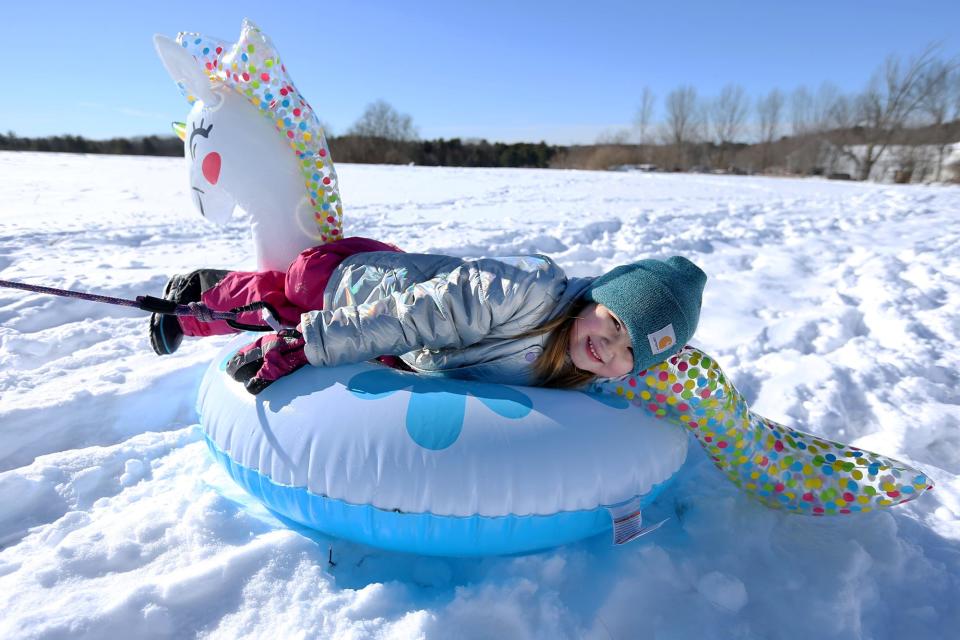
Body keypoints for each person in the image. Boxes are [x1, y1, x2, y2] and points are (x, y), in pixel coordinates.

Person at [150, 237, 707, 395]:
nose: (610, 347)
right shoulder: (527, 289)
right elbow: (419, 315)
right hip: (367, 289)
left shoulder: (586, 378)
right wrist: (311, 343)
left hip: (409, 352)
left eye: (630, 349)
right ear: (592, 298)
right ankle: (194, 301)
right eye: (611, 322)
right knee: (288, 299)